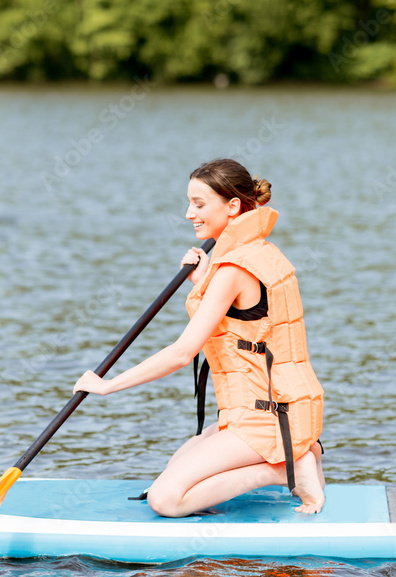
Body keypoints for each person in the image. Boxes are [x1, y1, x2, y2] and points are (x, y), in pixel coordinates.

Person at [74, 159, 325, 517]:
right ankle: (304, 451)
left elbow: (182, 353)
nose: (190, 213)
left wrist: (107, 386)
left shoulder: (234, 269)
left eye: (200, 204)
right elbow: (245, 323)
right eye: (190, 203)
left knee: (166, 499)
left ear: (234, 206)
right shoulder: (260, 253)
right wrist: (205, 282)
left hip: (265, 417)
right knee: (173, 468)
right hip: (275, 409)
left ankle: (285, 468)